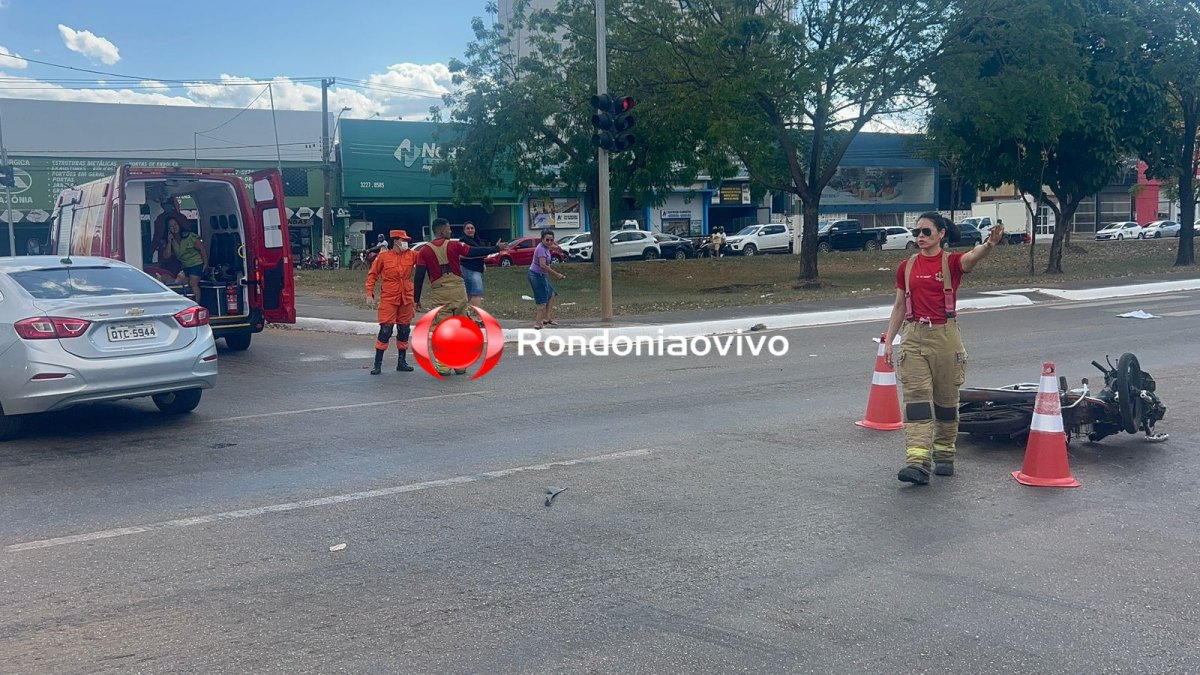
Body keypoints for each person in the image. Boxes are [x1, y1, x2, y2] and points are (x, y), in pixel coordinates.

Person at [883, 212, 1004, 486]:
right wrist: (889, 340)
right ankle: (917, 462)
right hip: (913, 336)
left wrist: (988, 245)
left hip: (945, 336)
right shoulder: (906, 266)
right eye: (917, 232)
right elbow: (899, 306)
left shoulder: (950, 263)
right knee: (917, 400)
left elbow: (971, 258)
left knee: (946, 403)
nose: (920, 237)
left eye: (926, 232)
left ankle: (945, 454)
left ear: (941, 234)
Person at [413, 218, 505, 375]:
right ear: (442, 231)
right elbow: (474, 252)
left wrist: (416, 299)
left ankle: (443, 365)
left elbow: (419, 276)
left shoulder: (424, 251)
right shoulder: (454, 245)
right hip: (458, 291)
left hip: (439, 293)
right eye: (449, 229)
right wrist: (496, 248)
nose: (450, 231)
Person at [365, 229, 419, 374]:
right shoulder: (383, 257)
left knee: (404, 330)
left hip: (406, 296)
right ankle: (377, 364)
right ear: (395, 241)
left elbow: (427, 258)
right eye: (403, 240)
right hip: (389, 296)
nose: (406, 243)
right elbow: (372, 275)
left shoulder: (412, 255)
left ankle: (402, 362)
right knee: (386, 330)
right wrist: (369, 293)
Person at [529, 229, 567, 329]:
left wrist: (557, 248)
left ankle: (547, 318)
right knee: (542, 299)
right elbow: (543, 265)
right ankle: (538, 323)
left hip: (541, 276)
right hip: (536, 276)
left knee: (551, 294)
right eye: (547, 240)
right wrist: (557, 274)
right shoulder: (541, 249)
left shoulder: (545, 247)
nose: (549, 242)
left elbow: (550, 247)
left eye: (551, 240)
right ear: (542, 239)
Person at [166, 216, 208, 301]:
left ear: (179, 225)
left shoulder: (190, 236)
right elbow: (167, 256)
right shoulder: (172, 241)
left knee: (193, 283)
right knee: (179, 283)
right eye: (171, 226)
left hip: (197, 264)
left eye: (175, 224)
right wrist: (169, 241)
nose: (174, 227)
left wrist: (206, 263)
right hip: (185, 266)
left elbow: (202, 248)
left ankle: (197, 304)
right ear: (168, 229)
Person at [458, 221, 488, 308]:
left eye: (472, 228)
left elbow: (480, 253)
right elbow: (466, 255)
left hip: (477, 269)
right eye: (467, 228)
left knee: (469, 293)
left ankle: (465, 312)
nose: (470, 230)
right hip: (468, 269)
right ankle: (476, 314)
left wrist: (483, 263)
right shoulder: (463, 241)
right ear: (464, 230)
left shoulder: (477, 240)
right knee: (476, 291)